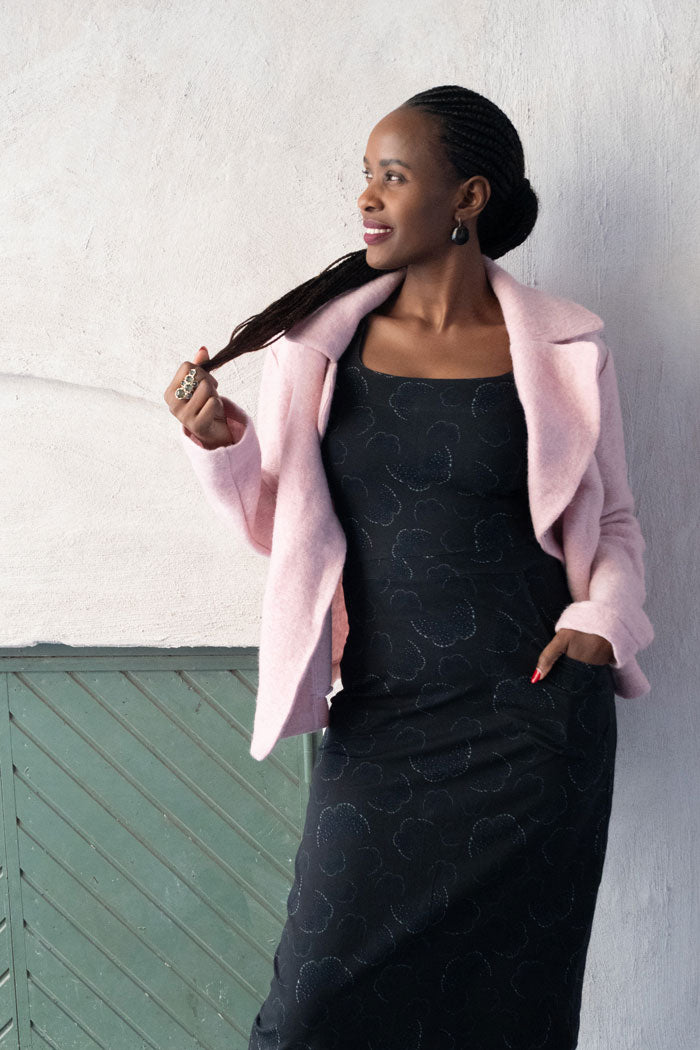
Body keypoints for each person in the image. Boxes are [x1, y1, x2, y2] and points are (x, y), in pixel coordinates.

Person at [164, 85, 654, 1050]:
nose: (367, 198)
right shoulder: (318, 349)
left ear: (467, 197)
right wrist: (223, 444)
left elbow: (615, 525)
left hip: (536, 728)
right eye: (365, 175)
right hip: (385, 719)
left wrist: (602, 624)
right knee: (310, 1015)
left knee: (512, 1015)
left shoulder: (565, 352)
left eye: (393, 176)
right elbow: (282, 527)